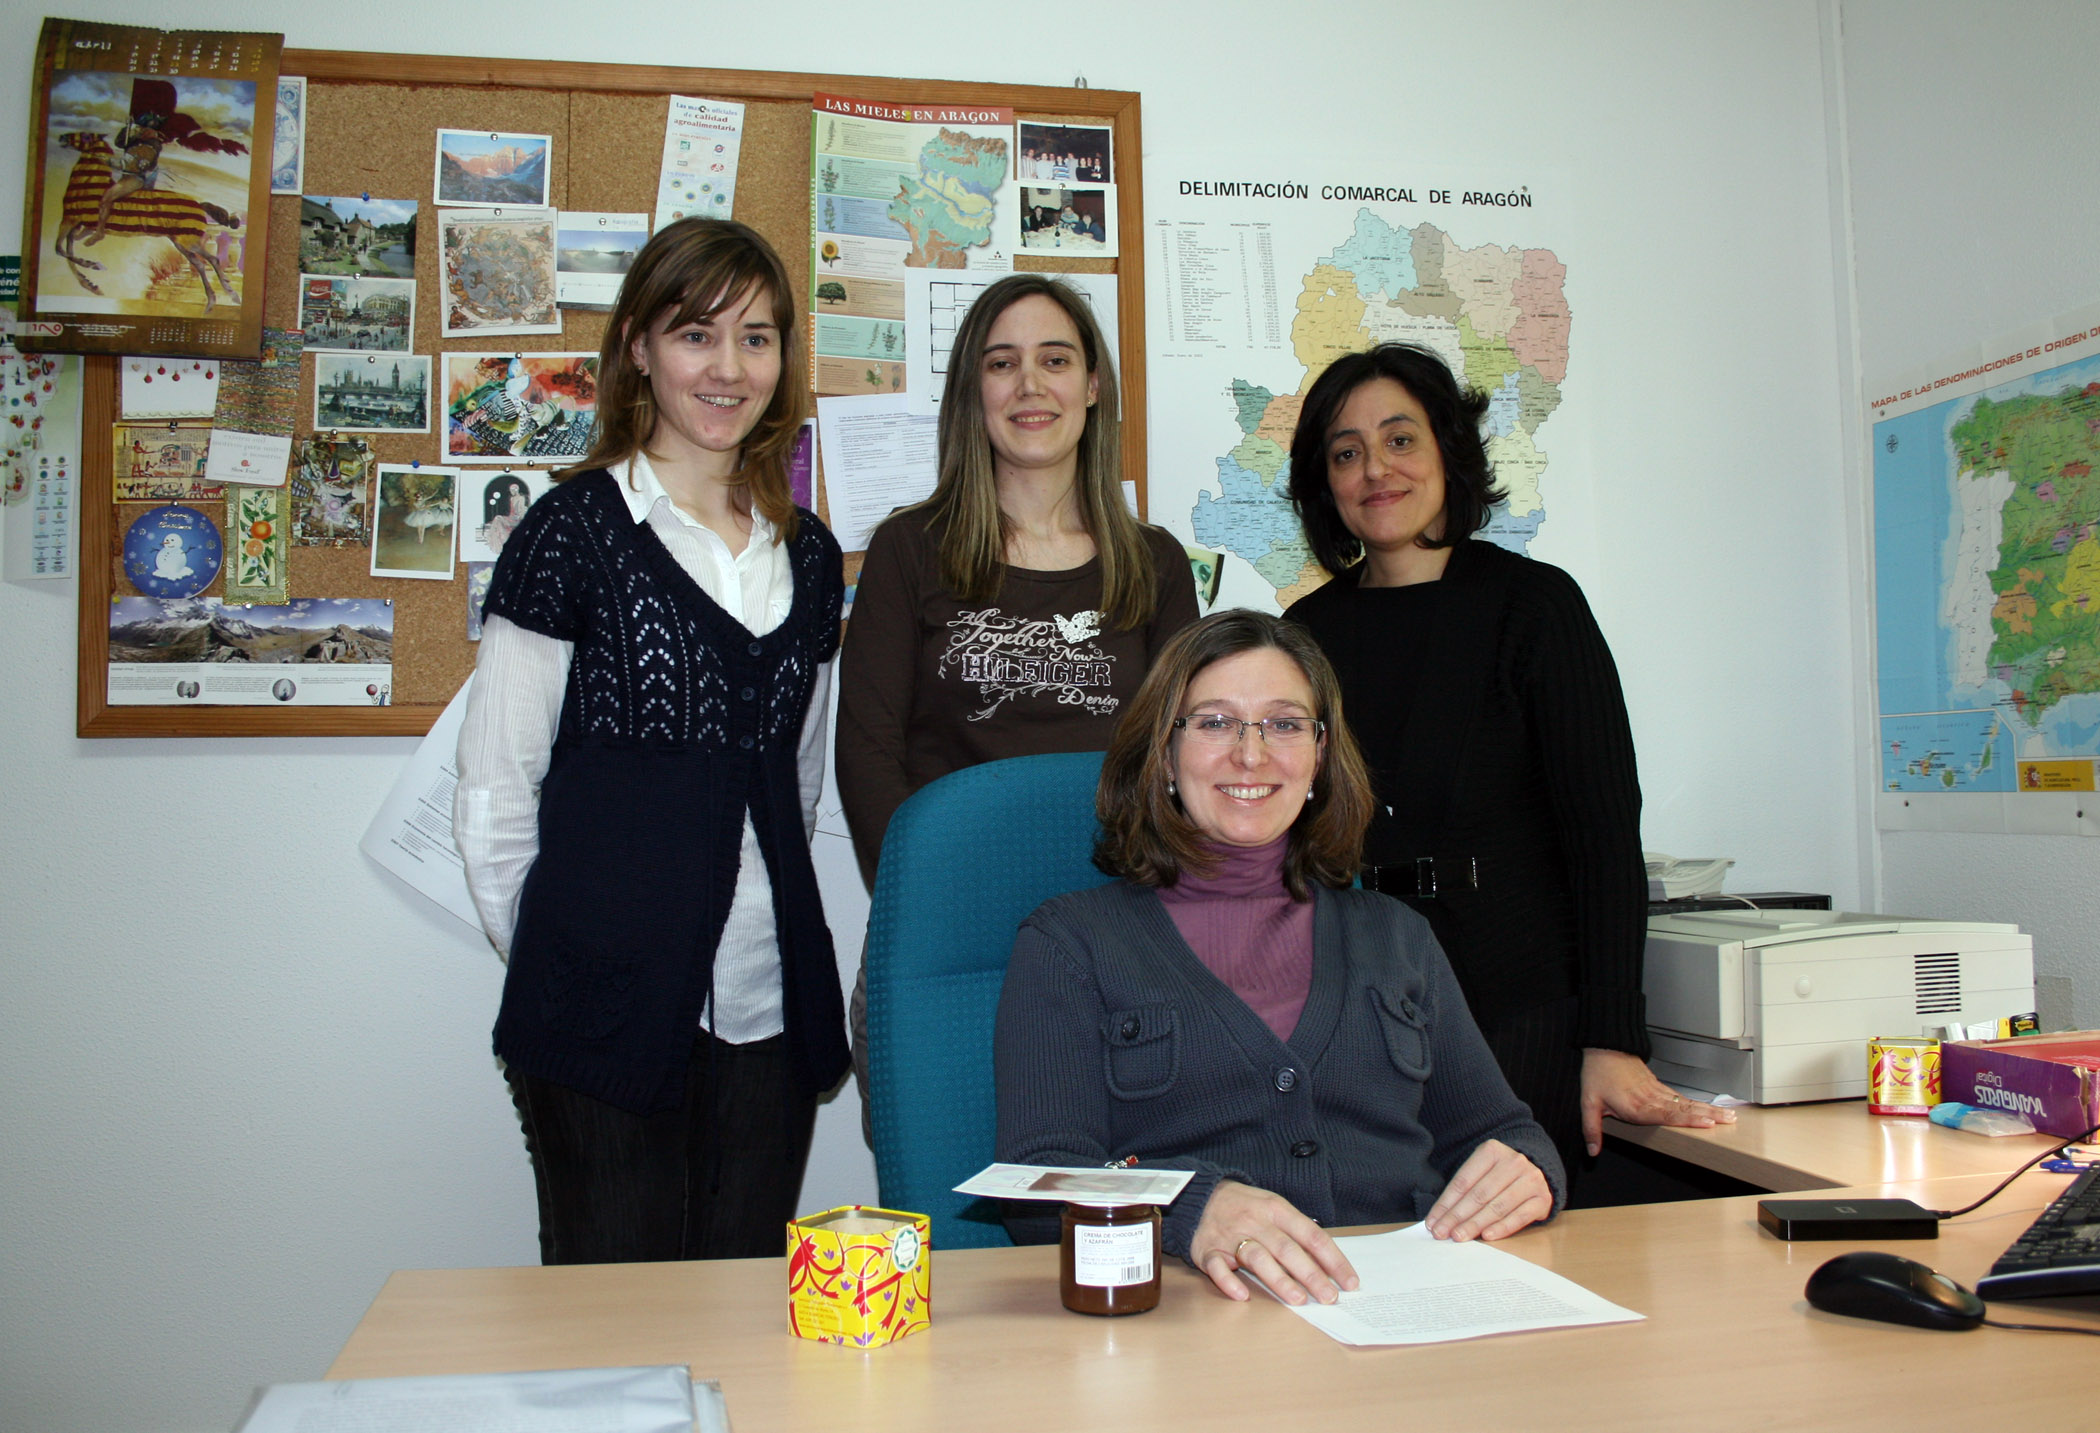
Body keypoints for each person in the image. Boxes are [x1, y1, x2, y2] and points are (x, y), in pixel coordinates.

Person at [454, 217, 846, 1265]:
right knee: (610, 1327)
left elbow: (795, 783)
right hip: (600, 1006)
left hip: (765, 1000)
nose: (729, 368)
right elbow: (495, 786)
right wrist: (568, 957)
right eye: (696, 334)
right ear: (637, 347)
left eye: (757, 338)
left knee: (746, 1313)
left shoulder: (808, 558)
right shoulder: (570, 532)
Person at [995, 610, 1562, 1305]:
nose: (1252, 753)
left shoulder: (1398, 936)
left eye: (1284, 723)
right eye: (1214, 722)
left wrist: (1529, 1168)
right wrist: (1187, 1205)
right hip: (1194, 1319)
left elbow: (1503, 1131)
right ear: (1164, 754)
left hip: (1404, 1311)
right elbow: (1038, 1180)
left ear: (1320, 756)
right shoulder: (1071, 942)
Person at [1281, 343, 1731, 1186]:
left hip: (1523, 1011)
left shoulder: (1535, 607)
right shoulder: (1303, 635)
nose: (1375, 469)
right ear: (1325, 482)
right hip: (1357, 1009)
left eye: (1400, 439)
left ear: (1449, 450)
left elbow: (1602, 841)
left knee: (1515, 1259)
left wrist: (1613, 1042)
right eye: (1346, 452)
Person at [836, 273, 1199, 1097]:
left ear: (1094, 385)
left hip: (1120, 940)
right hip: (945, 938)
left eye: (1056, 359)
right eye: (1002, 363)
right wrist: (929, 899)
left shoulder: (1155, 563)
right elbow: (866, 753)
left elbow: (1186, 760)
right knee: (949, 1193)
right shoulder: (909, 549)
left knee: (1118, 1211)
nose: (1031, 385)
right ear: (974, 390)